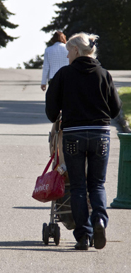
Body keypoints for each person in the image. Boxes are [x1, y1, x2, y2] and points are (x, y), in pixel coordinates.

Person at [46, 32, 122, 250]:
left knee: (78, 186)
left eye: (69, 50)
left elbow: (51, 111)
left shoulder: (64, 75)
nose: (67, 55)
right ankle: (99, 219)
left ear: (77, 51)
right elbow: (116, 109)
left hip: (73, 135)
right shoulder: (104, 74)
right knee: (97, 184)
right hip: (100, 135)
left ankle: (83, 235)